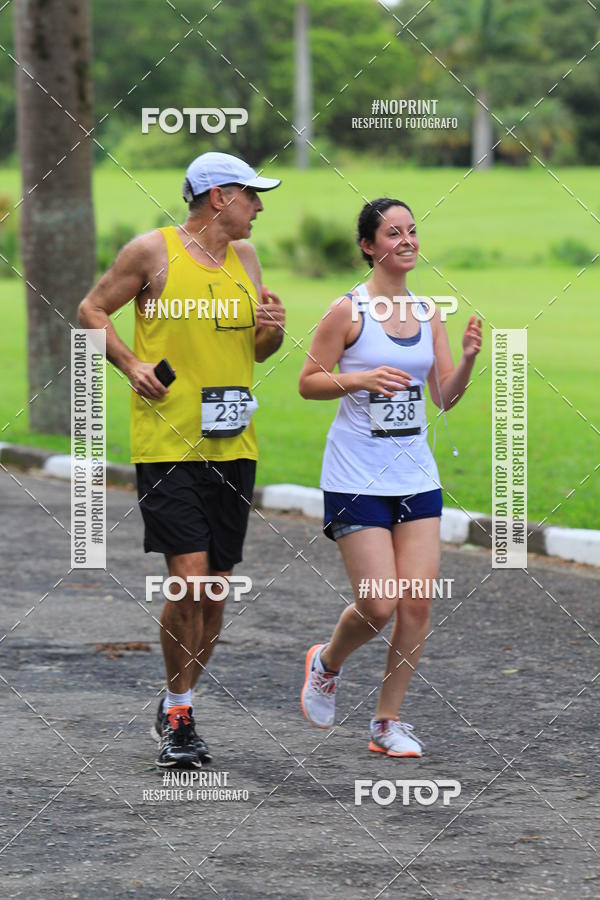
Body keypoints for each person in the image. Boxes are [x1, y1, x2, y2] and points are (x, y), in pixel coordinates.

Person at [78, 152, 285, 768]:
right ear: (219, 197)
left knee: (215, 591)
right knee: (188, 581)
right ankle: (176, 712)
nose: (260, 207)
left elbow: (259, 349)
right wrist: (131, 363)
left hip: (234, 442)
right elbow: (91, 311)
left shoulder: (245, 258)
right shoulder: (152, 252)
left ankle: (183, 701)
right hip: (168, 442)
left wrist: (272, 328)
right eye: (252, 195)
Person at [298, 197, 481, 757]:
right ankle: (326, 663)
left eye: (412, 231)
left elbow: (443, 397)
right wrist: (360, 380)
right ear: (369, 246)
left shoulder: (429, 313)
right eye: (393, 233)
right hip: (356, 476)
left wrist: (469, 360)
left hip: (416, 476)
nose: (407, 240)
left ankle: (386, 723)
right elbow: (309, 381)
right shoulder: (346, 311)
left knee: (417, 603)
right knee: (379, 605)